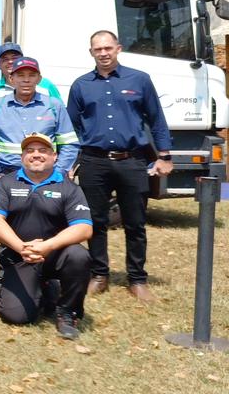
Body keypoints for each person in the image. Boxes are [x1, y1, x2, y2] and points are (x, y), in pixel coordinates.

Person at [67, 30, 172, 302]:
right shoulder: (81, 85)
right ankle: (99, 274)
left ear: (118, 48)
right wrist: (72, 160)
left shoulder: (139, 80)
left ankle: (137, 279)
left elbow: (157, 119)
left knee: (135, 222)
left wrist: (164, 156)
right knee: (96, 222)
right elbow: (72, 126)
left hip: (132, 161)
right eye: (97, 49)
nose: (103, 53)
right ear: (91, 52)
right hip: (94, 162)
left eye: (108, 48)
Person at [0, 133, 93, 339]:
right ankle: (45, 289)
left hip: (56, 255)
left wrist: (47, 246)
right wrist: (21, 247)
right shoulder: (5, 183)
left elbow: (84, 228)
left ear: (55, 156)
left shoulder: (68, 187)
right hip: (19, 257)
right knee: (16, 316)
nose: (36, 155)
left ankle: (67, 311)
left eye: (43, 151)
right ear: (21, 157)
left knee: (79, 256)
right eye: (30, 151)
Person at [0, 56, 78, 180]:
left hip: (46, 177)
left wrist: (58, 173)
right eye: (20, 75)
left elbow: (69, 144)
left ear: (39, 79)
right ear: (11, 78)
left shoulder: (54, 106)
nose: (26, 80)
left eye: (31, 75)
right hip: (7, 175)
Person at [0, 42, 61, 119]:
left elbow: (60, 115)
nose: (10, 61)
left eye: (14, 58)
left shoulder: (46, 86)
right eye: (5, 59)